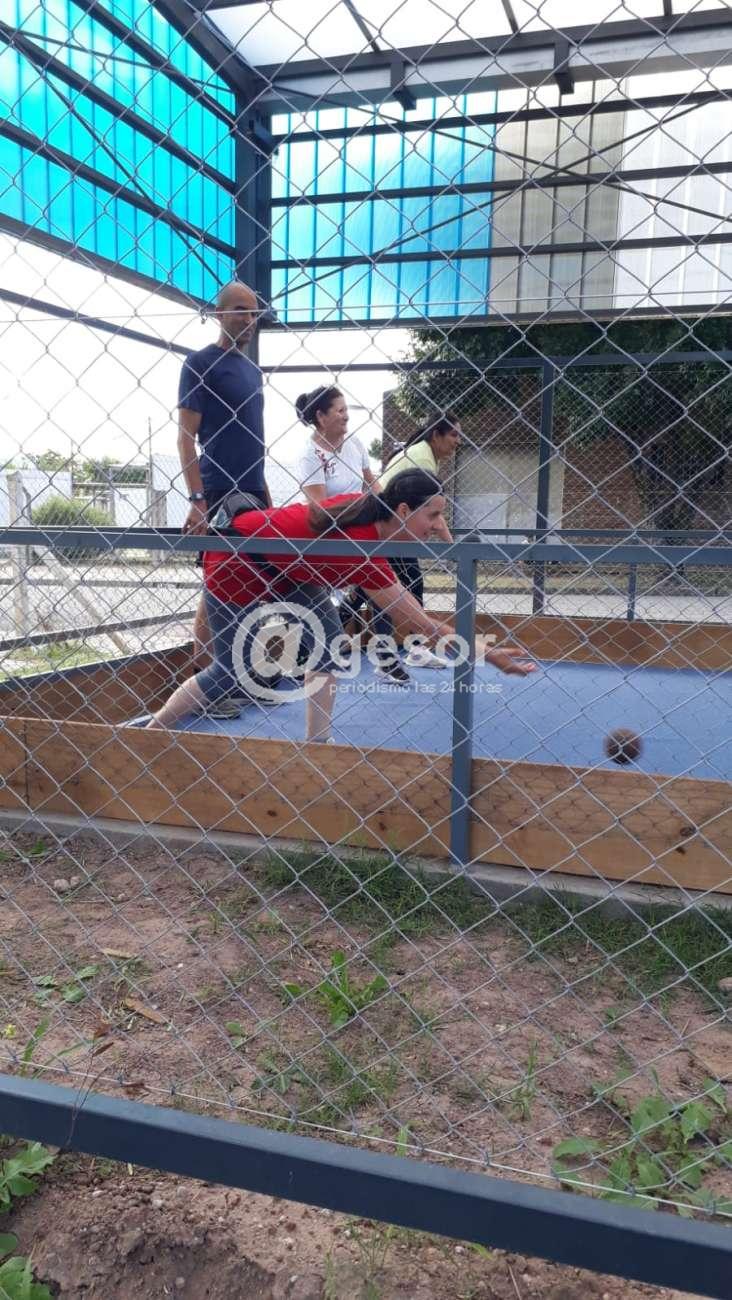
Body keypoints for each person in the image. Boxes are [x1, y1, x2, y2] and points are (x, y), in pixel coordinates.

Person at [146, 470, 536, 742]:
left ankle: (317, 743)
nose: (438, 524)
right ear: (403, 512)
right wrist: (490, 655)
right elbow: (423, 626)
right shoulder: (362, 550)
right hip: (236, 559)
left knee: (328, 648)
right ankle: (153, 731)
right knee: (229, 672)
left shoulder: (368, 517)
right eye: (433, 514)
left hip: (287, 567)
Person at [177, 279, 272, 716]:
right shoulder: (199, 363)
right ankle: (204, 679)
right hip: (218, 490)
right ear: (218, 314)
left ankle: (237, 673)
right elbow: (185, 437)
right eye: (239, 310)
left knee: (251, 582)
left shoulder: (252, 371)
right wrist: (198, 499)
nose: (248, 319)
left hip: (254, 490)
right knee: (215, 585)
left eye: (253, 312)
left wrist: (265, 495)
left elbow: (254, 440)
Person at [295, 385, 379, 502]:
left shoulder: (354, 441)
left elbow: (371, 483)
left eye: (346, 410)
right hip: (337, 513)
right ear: (320, 416)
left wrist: (387, 504)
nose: (347, 417)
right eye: (340, 411)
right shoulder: (310, 456)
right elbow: (320, 508)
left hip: (359, 509)